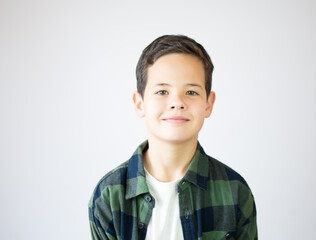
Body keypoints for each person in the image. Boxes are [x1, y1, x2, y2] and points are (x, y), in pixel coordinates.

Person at [88, 35, 258, 240]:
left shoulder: (235, 191)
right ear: (139, 103)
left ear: (208, 104)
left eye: (191, 92)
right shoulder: (109, 195)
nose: (177, 102)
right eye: (162, 91)